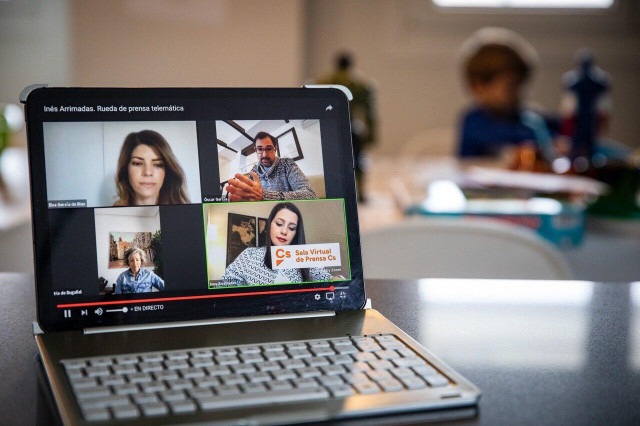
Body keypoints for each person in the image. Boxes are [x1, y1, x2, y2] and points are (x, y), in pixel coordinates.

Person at [458, 28, 559, 159]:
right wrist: (545, 140)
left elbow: (560, 126)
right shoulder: (474, 120)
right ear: (479, 87)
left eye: (521, 85)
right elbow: (503, 135)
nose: (517, 94)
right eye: (509, 87)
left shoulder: (530, 117)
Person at [218, 202, 338, 287]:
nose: (284, 231)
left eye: (291, 228)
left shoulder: (303, 257)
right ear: (270, 224)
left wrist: (336, 280)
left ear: (296, 233)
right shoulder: (249, 255)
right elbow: (225, 284)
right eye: (279, 224)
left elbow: (327, 278)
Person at [317, 52, 377, 202]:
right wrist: (371, 135)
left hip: (330, 128)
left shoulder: (323, 81)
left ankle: (333, 193)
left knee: (330, 162)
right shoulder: (361, 84)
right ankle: (361, 194)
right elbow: (369, 113)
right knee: (358, 162)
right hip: (352, 127)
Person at [225, 132, 317, 201]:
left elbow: (310, 195)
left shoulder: (287, 164)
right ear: (255, 150)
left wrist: (264, 195)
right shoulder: (253, 172)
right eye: (260, 149)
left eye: (268, 149)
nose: (264, 154)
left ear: (275, 149)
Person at [114, 130, 190, 206]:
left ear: (167, 171)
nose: (148, 172)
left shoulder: (185, 214)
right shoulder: (110, 216)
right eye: (138, 163)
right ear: (126, 169)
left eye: (157, 165)